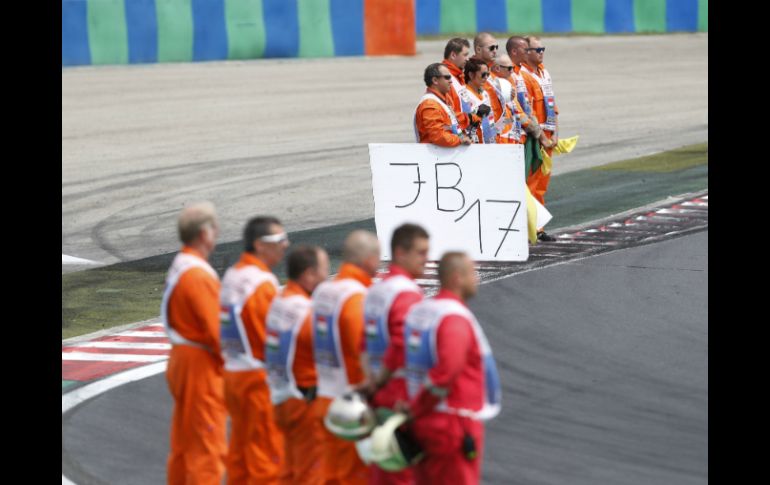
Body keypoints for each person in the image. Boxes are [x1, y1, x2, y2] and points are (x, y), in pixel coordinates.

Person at [399, 252, 501, 484]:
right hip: (452, 424)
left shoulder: (421, 311)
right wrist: (417, 407)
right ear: (457, 278)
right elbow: (446, 373)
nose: (475, 279)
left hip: (423, 422)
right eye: (471, 273)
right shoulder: (454, 318)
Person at [358, 224, 430, 485]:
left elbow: (363, 346)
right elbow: (403, 345)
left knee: (383, 471)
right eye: (421, 253)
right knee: (404, 471)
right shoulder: (407, 293)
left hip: (378, 395)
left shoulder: (376, 290)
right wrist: (383, 379)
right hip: (401, 396)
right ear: (400, 252)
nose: (426, 259)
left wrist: (372, 384)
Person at [220, 216, 290, 484]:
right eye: (279, 240)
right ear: (260, 245)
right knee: (267, 458)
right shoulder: (262, 283)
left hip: (233, 373)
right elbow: (270, 339)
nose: (286, 245)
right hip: (256, 378)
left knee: (241, 452)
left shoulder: (234, 274)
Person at [162, 201, 227, 484]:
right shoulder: (198, 274)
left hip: (182, 359)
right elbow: (218, 332)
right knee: (206, 447)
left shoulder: (182, 264)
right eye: (214, 227)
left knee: (185, 443)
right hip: (199, 366)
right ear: (205, 234)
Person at [311, 230, 381, 484]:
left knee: (330, 476)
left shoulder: (324, 292)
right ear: (369, 259)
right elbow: (364, 355)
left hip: (324, 400)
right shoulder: (357, 299)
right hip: (351, 410)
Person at [265, 245, 330, 485]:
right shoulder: (306, 312)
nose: (327, 275)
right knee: (310, 473)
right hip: (304, 402)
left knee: (288, 470)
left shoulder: (280, 302)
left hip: (281, 397)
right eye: (324, 269)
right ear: (309, 274)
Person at [507, 35, 557, 241]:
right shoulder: (522, 76)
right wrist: (538, 135)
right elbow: (524, 108)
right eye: (535, 49)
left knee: (541, 184)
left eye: (540, 49)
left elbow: (553, 105)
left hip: (548, 133)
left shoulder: (544, 72)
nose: (539, 52)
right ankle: (533, 228)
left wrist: (555, 132)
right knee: (531, 183)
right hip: (534, 136)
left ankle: (537, 225)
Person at [414, 63, 475, 146]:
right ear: (435, 80)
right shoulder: (430, 104)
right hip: (435, 156)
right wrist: (460, 140)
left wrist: (471, 119)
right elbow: (438, 136)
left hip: (446, 153)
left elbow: (454, 122)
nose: (451, 81)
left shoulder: (444, 99)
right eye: (447, 77)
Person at [441, 37, 477, 132]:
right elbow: (448, 113)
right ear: (453, 55)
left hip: (465, 132)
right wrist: (470, 118)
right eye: (465, 55)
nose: (467, 59)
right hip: (457, 137)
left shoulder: (458, 75)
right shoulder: (445, 79)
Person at [459, 58, 496, 144]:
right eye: (483, 75)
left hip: (489, 144)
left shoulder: (485, 94)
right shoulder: (462, 95)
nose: (486, 77)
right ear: (471, 75)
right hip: (473, 146)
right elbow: (463, 122)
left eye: (488, 74)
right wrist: (478, 114)